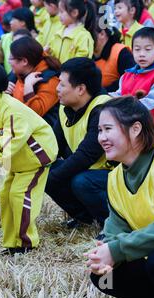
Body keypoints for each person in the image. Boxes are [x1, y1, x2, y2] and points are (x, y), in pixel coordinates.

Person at [88, 96, 154, 298]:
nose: (101, 137)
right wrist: (105, 256)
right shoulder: (114, 177)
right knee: (105, 277)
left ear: (135, 129)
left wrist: (116, 249)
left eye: (108, 129)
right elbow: (114, 228)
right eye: (99, 130)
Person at [0, 60, 58, 254]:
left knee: (19, 196)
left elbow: (5, 148)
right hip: (17, 161)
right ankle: (11, 243)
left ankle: (26, 244)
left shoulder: (12, 110)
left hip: (36, 158)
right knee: (5, 195)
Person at [45, 58, 112, 232]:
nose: (57, 89)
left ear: (81, 89)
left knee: (80, 181)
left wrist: (52, 180)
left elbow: (86, 156)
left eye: (61, 84)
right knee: (45, 169)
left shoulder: (103, 109)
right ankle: (85, 219)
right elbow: (53, 146)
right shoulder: (65, 107)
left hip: (118, 175)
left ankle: (111, 225)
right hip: (91, 171)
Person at [110, 27, 154, 144]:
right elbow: (118, 95)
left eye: (147, 49)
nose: (142, 54)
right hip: (131, 136)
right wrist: (105, 98)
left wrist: (125, 107)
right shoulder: (126, 75)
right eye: (137, 49)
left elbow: (153, 103)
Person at [7, 36, 61, 126]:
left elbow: (35, 114)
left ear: (24, 61)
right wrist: (7, 93)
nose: (9, 62)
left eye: (11, 58)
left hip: (44, 135)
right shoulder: (21, 73)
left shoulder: (51, 80)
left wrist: (28, 88)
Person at [0, 7, 35, 74]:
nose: (10, 22)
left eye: (13, 19)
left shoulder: (36, 39)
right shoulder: (6, 38)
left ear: (22, 23)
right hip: (10, 79)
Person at [94, 25, 135, 91]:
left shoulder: (121, 52)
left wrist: (102, 92)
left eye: (89, 33)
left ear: (102, 34)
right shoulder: (86, 54)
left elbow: (130, 79)